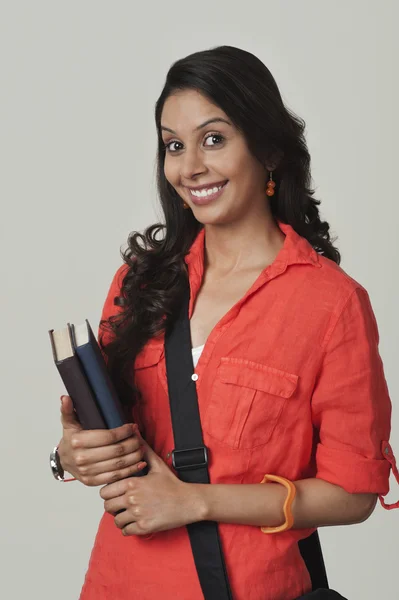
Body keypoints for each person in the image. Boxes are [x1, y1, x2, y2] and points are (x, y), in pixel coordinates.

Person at [55, 45, 398, 600]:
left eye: (214, 138)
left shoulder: (331, 305)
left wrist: (198, 501)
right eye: (173, 145)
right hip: (117, 583)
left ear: (267, 150)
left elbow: (352, 494)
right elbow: (112, 434)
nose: (189, 166)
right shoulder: (139, 281)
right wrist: (72, 452)